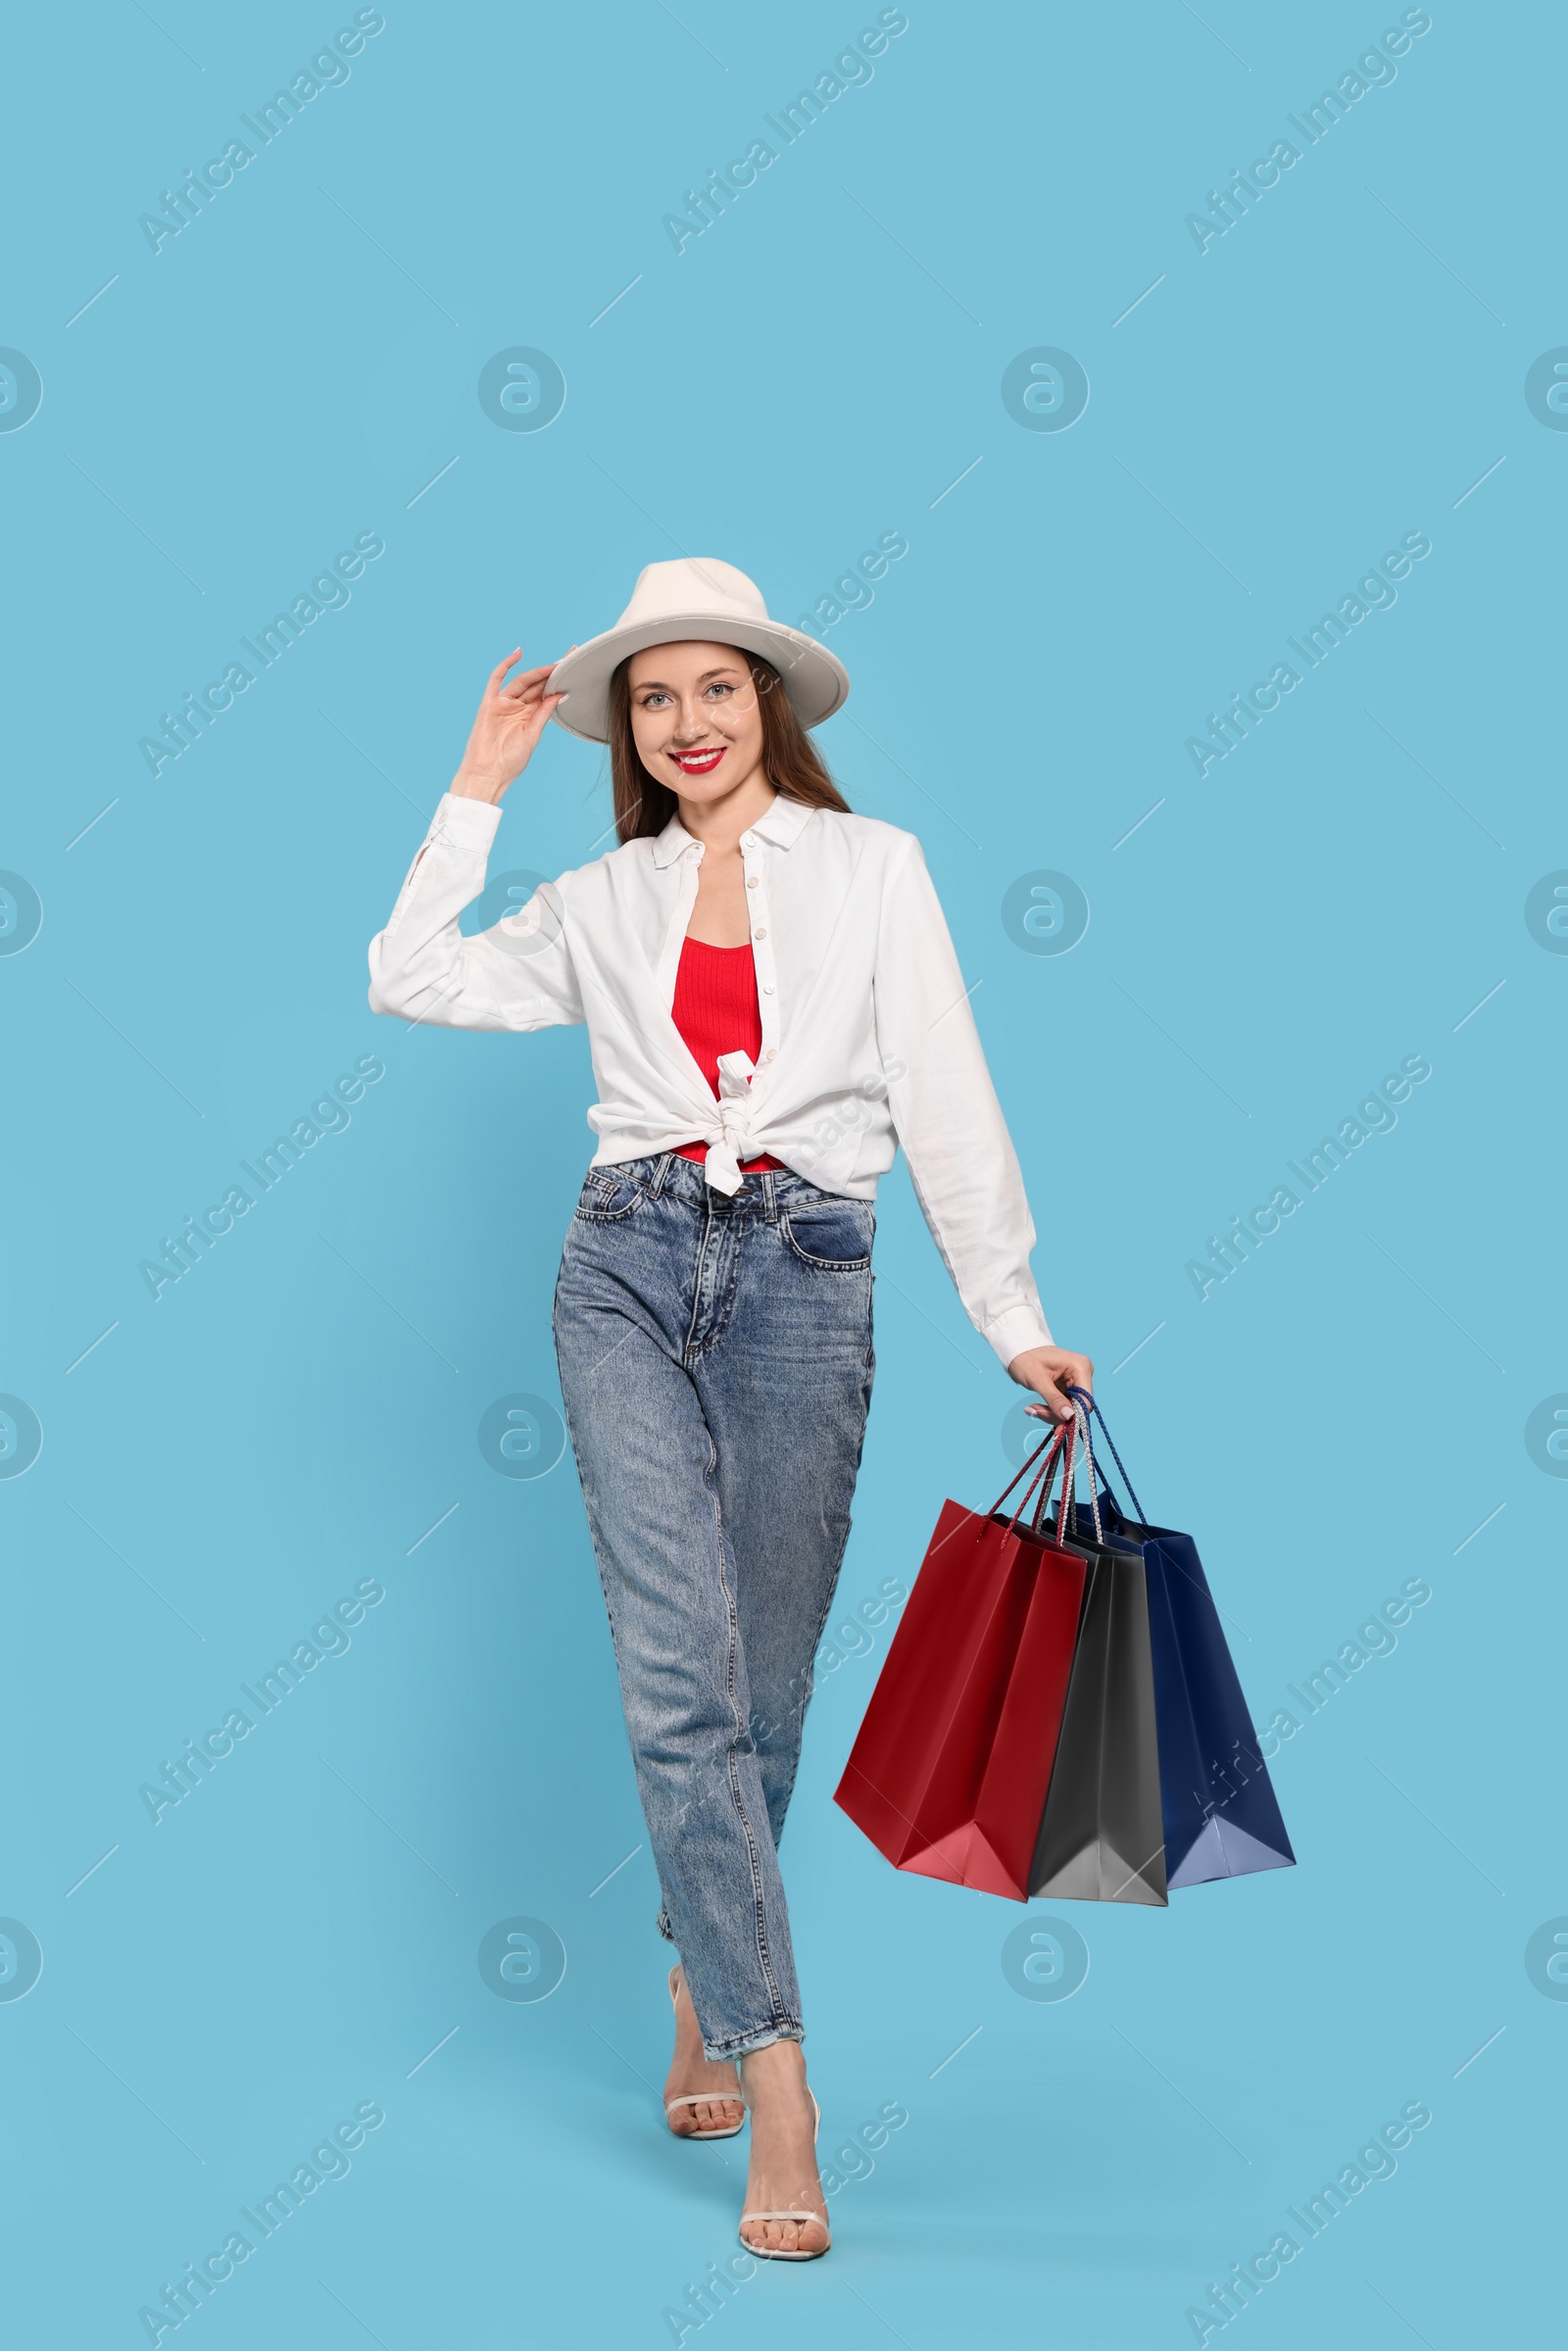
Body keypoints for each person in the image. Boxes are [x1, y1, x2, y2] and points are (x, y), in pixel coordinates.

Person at [367, 558, 1093, 2260]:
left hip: (805, 1277)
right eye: (654, 697)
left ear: (769, 701)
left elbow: (945, 1088)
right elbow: (409, 973)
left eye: (718, 688)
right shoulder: (601, 899)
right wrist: (478, 786)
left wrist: (1013, 1315)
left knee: (763, 1693)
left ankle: (704, 1978)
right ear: (623, 726)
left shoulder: (872, 870)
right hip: (621, 1268)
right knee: (678, 1679)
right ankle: (782, 2073)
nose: (688, 722)